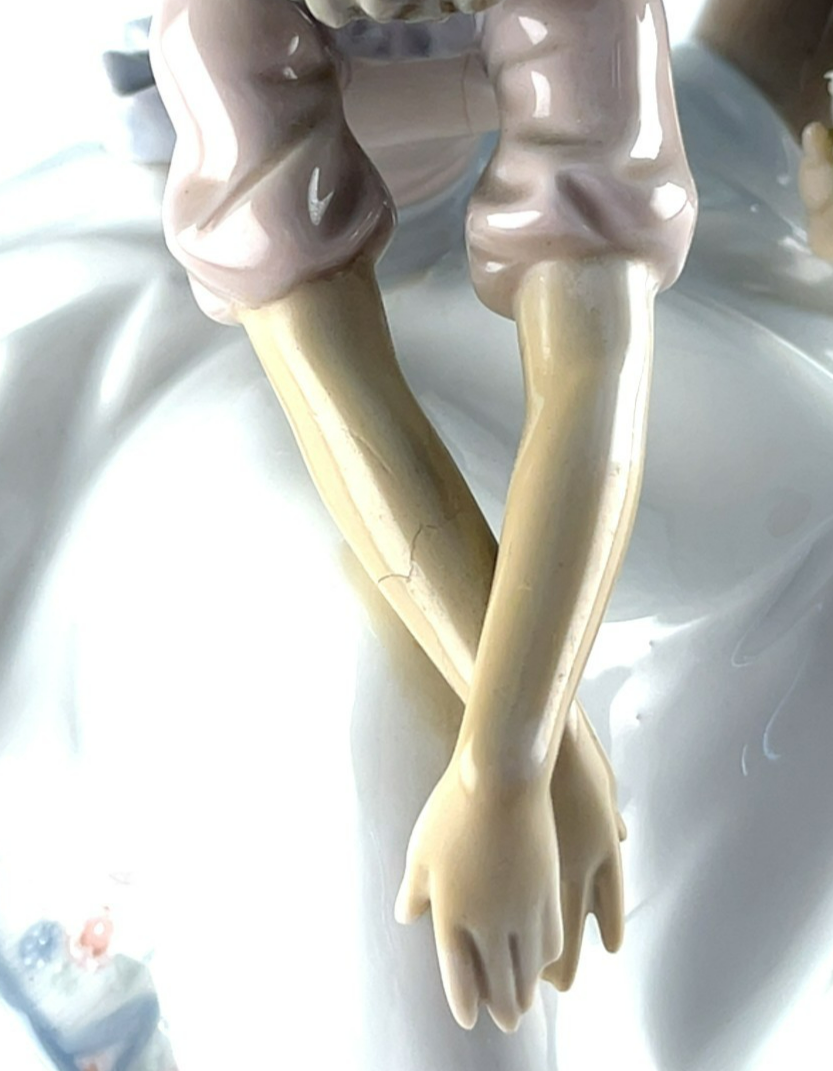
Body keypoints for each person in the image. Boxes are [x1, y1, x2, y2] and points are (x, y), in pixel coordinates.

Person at [1, 1, 833, 1069]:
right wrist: (519, 749)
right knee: (363, 681)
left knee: (782, 524)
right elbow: (332, 372)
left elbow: (589, 362)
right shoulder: (233, 26)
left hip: (490, 241)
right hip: (255, 309)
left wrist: (517, 745)